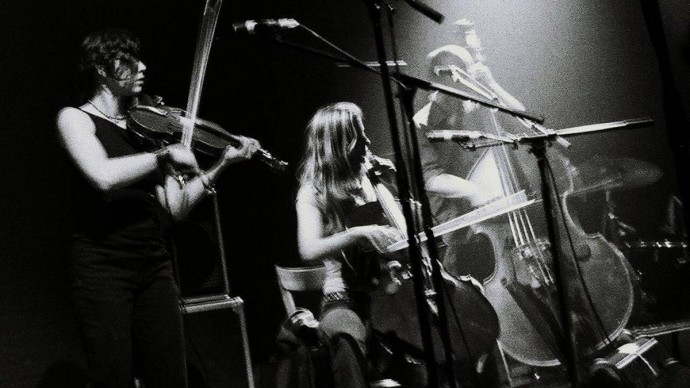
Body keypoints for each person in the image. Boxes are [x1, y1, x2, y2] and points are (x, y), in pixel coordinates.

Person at [56, 28, 260, 388]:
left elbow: (175, 208)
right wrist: (163, 156)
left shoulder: (146, 130)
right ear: (102, 69)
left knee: (170, 377)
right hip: (102, 270)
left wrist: (222, 164)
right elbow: (103, 176)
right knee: (112, 377)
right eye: (130, 61)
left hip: (153, 264)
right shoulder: (74, 119)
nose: (143, 67)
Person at [295, 102, 404, 387]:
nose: (368, 141)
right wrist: (358, 233)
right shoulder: (313, 192)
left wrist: (386, 185)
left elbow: (401, 235)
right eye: (360, 135)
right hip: (344, 299)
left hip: (392, 292)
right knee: (344, 338)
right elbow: (308, 250)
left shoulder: (370, 180)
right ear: (341, 144)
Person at [414, 20, 528, 279]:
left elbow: (523, 119)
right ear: (439, 78)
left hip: (502, 209)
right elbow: (431, 178)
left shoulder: (476, 106)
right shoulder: (422, 121)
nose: (464, 86)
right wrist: (477, 190)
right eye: (458, 77)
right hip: (458, 221)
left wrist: (492, 86)